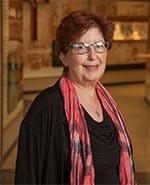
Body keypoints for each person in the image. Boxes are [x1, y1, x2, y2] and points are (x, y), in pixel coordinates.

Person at [15, 10, 136, 185]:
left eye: (99, 45)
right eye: (81, 47)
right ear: (63, 56)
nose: (93, 56)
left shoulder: (109, 104)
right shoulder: (45, 109)